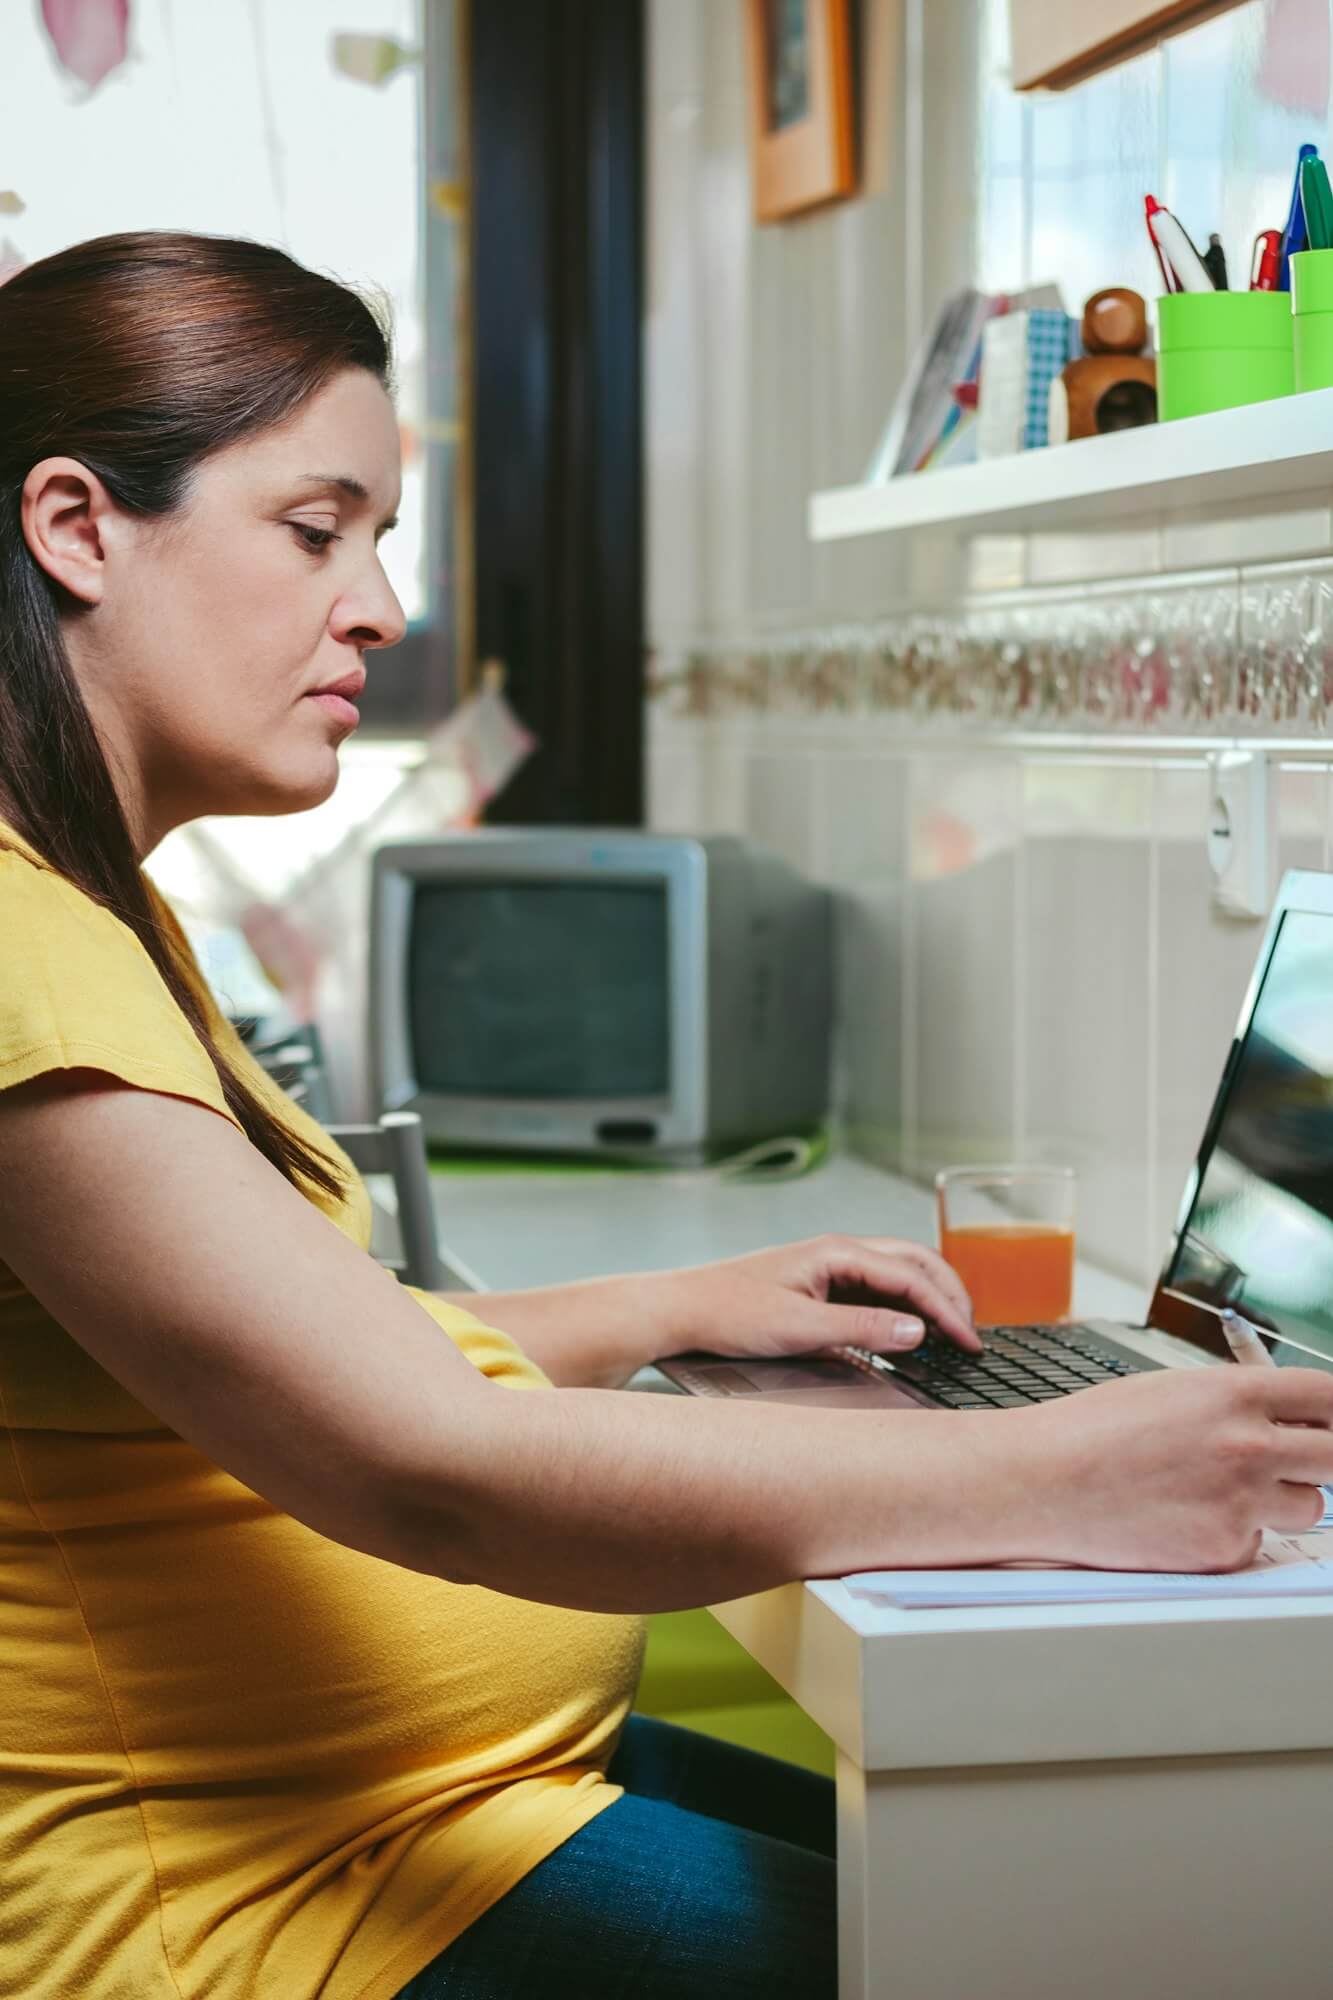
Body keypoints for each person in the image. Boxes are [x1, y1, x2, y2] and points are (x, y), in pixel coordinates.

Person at [2, 233, 1331, 2000]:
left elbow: (301, 1350)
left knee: (1075, 1892)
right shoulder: (28, 958)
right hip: (256, 1904)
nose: (381, 607)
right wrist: (1057, 1468)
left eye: (380, 541)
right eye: (318, 531)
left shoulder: (89, 907)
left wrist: (671, 1308)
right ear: (79, 528)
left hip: (398, 1807)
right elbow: (428, 1465)